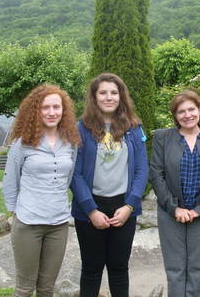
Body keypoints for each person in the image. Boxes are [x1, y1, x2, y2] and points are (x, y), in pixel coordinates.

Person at [70, 73, 148, 297]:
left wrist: (130, 206)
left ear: (121, 96)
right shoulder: (81, 128)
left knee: (119, 269)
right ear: (94, 97)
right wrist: (91, 210)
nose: (109, 97)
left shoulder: (134, 128)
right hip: (90, 208)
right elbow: (75, 173)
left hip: (122, 207)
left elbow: (142, 170)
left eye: (114, 92)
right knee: (91, 269)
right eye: (103, 92)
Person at [2, 84, 81, 297]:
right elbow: (10, 182)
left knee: (47, 289)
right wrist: (15, 213)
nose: (52, 112)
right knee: (24, 289)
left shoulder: (70, 143)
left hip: (58, 225)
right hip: (28, 223)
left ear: (64, 110)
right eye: (45, 107)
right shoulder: (22, 143)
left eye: (56, 107)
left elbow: (68, 177)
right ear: (35, 111)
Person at [149, 90, 200, 297]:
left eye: (191, 109)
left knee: (198, 269)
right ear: (175, 116)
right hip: (170, 213)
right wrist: (175, 208)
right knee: (175, 269)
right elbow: (156, 174)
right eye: (181, 111)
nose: (187, 115)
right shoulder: (162, 138)